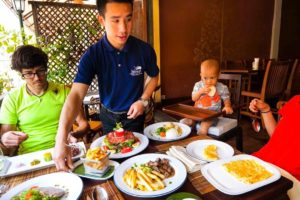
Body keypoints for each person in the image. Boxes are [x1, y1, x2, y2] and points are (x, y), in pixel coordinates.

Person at [54, 0, 159, 171]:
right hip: (108, 116)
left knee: (135, 161)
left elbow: (154, 76)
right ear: (101, 20)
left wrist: (143, 100)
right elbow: (75, 96)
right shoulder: (92, 55)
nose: (123, 28)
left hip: (134, 116)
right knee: (112, 162)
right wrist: (61, 139)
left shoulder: (144, 50)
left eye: (128, 19)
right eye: (115, 20)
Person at [0, 45, 89, 155]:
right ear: (21, 74)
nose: (37, 77)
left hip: (64, 149)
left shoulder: (65, 91)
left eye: (40, 71)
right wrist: (5, 139)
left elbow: (84, 124)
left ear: (46, 68)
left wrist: (74, 134)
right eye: (29, 73)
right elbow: (7, 145)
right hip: (30, 155)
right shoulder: (12, 100)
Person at [249, 97, 300, 199]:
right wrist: (265, 109)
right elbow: (278, 136)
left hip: (288, 179)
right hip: (260, 163)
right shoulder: (296, 100)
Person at [181, 59, 233, 134]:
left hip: (212, 115)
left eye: (212, 78)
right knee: (186, 121)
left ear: (218, 75)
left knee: (204, 125)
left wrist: (227, 106)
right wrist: (200, 92)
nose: (209, 81)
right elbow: (193, 98)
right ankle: (191, 125)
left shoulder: (222, 87)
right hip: (197, 113)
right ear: (201, 75)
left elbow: (226, 99)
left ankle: (200, 139)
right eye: (205, 78)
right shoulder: (198, 85)